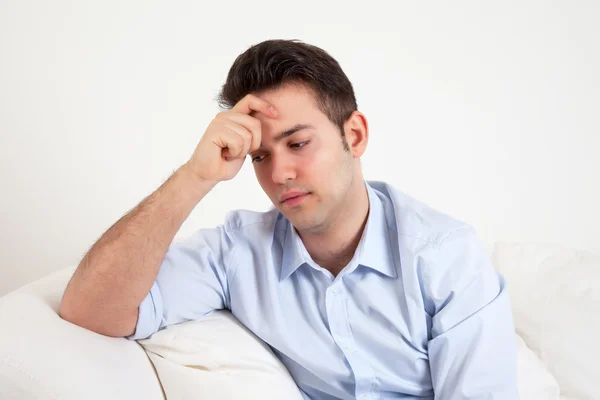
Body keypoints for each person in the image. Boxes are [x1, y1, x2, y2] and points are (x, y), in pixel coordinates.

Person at [60, 39, 519, 399]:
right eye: (260, 155)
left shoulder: (445, 256)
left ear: (353, 135)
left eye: (298, 144)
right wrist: (194, 176)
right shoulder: (238, 252)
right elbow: (90, 310)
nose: (279, 173)